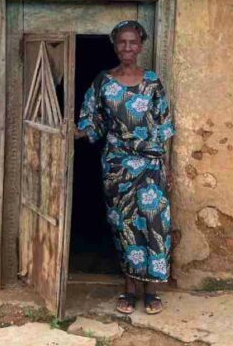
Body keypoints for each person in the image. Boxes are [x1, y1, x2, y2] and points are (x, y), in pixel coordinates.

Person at [75, 20, 175, 315]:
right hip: (117, 168)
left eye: (133, 42)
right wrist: (68, 132)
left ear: (141, 46)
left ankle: (152, 291)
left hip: (152, 165)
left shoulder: (152, 82)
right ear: (114, 45)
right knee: (125, 227)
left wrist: (168, 168)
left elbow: (164, 126)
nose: (127, 48)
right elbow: (91, 121)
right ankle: (130, 291)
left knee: (156, 226)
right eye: (122, 42)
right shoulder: (103, 81)